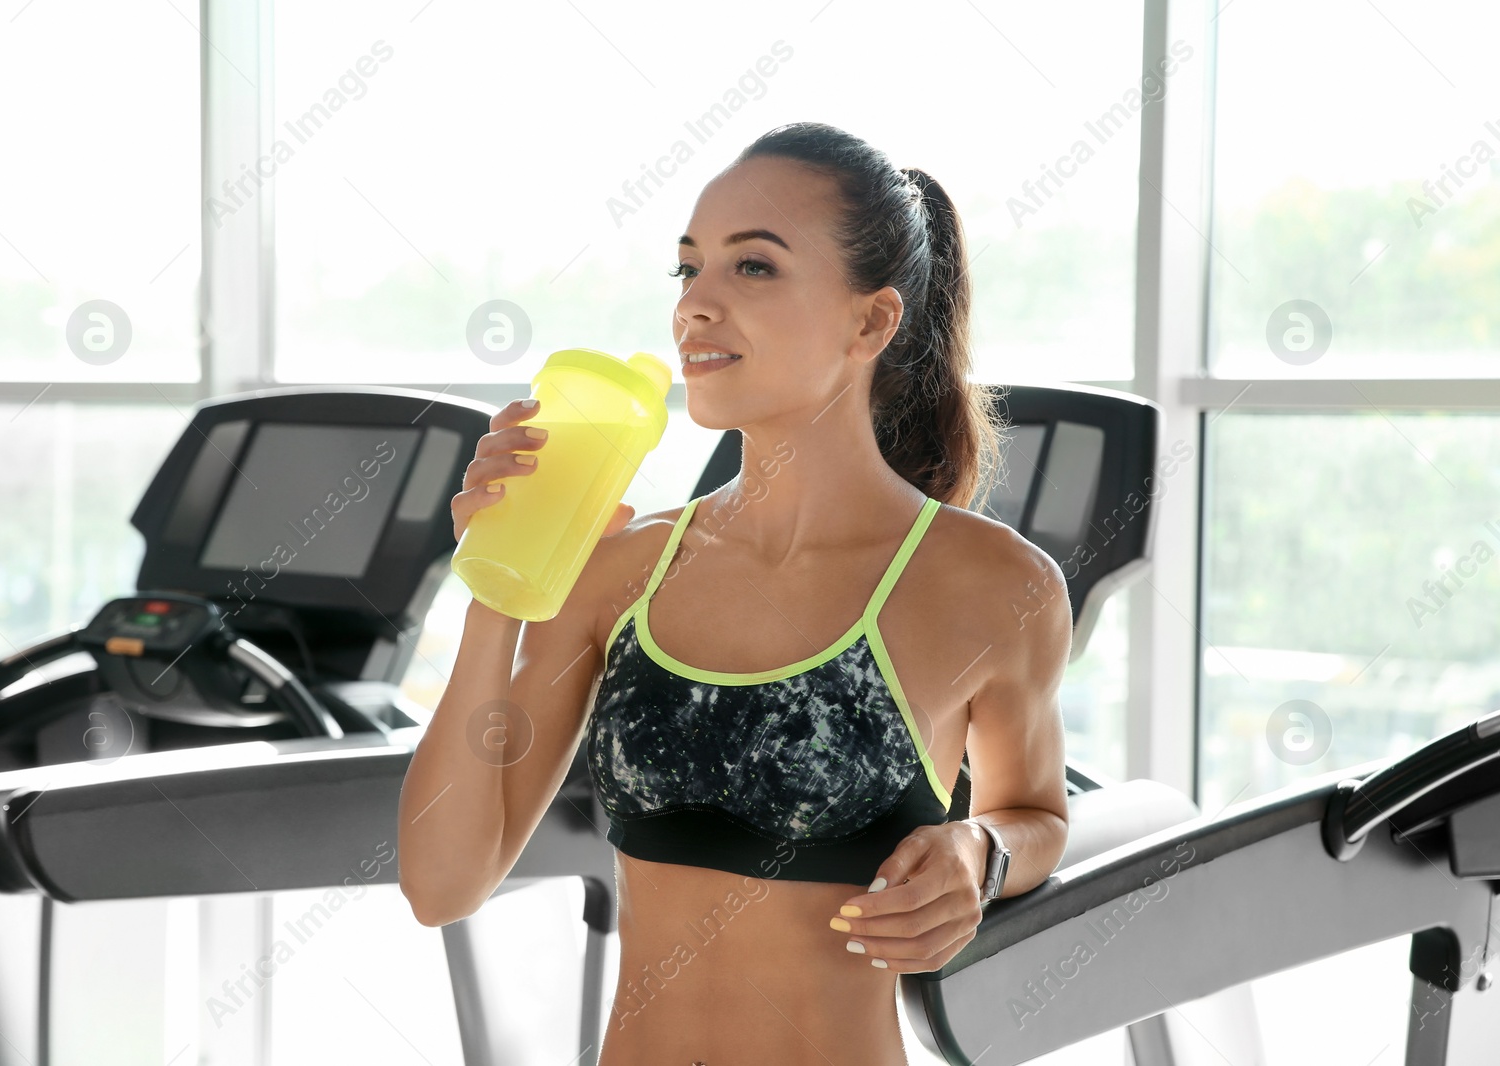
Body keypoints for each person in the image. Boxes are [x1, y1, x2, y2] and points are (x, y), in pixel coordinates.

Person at [399, 121, 1072, 1065]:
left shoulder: (993, 587)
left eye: (752, 269)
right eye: (688, 270)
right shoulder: (625, 570)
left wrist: (981, 853)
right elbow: (441, 885)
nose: (695, 307)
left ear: (871, 321)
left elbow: (1037, 814)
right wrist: (498, 584)